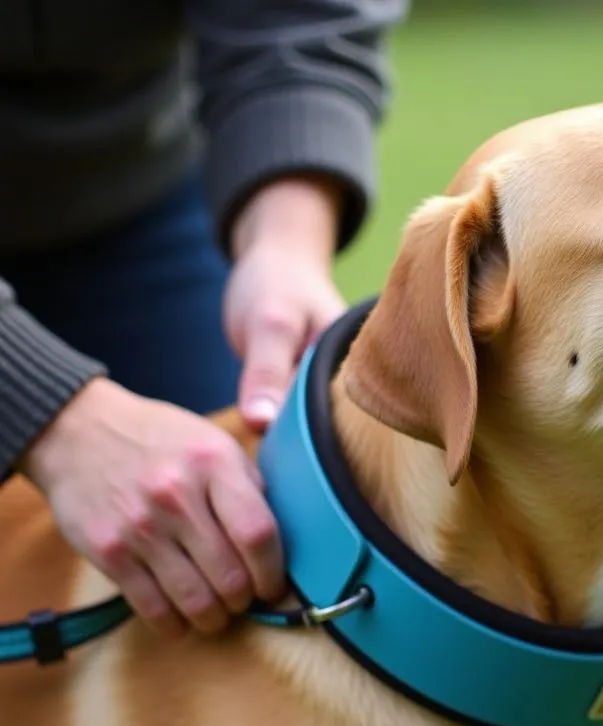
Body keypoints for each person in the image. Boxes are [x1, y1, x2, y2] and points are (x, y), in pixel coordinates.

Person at [0, 0, 407, 645]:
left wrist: (285, 240)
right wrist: (53, 417)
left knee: (247, 552)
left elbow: (297, 15)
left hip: (135, 188)